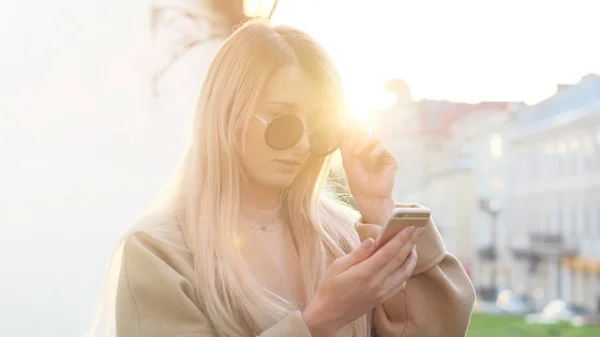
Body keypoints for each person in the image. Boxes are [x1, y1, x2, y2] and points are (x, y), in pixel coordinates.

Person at [90, 19, 475, 337]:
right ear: (228, 114)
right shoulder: (162, 252)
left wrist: (377, 205)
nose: (305, 143)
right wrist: (321, 320)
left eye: (320, 127)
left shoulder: (341, 238)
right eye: (283, 121)